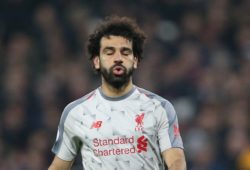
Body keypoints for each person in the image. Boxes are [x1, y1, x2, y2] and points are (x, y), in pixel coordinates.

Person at [48, 15, 186, 170]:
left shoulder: (159, 108)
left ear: (135, 60)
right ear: (96, 61)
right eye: (109, 52)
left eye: (125, 52)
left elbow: (176, 161)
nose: (118, 58)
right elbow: (59, 167)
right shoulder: (76, 112)